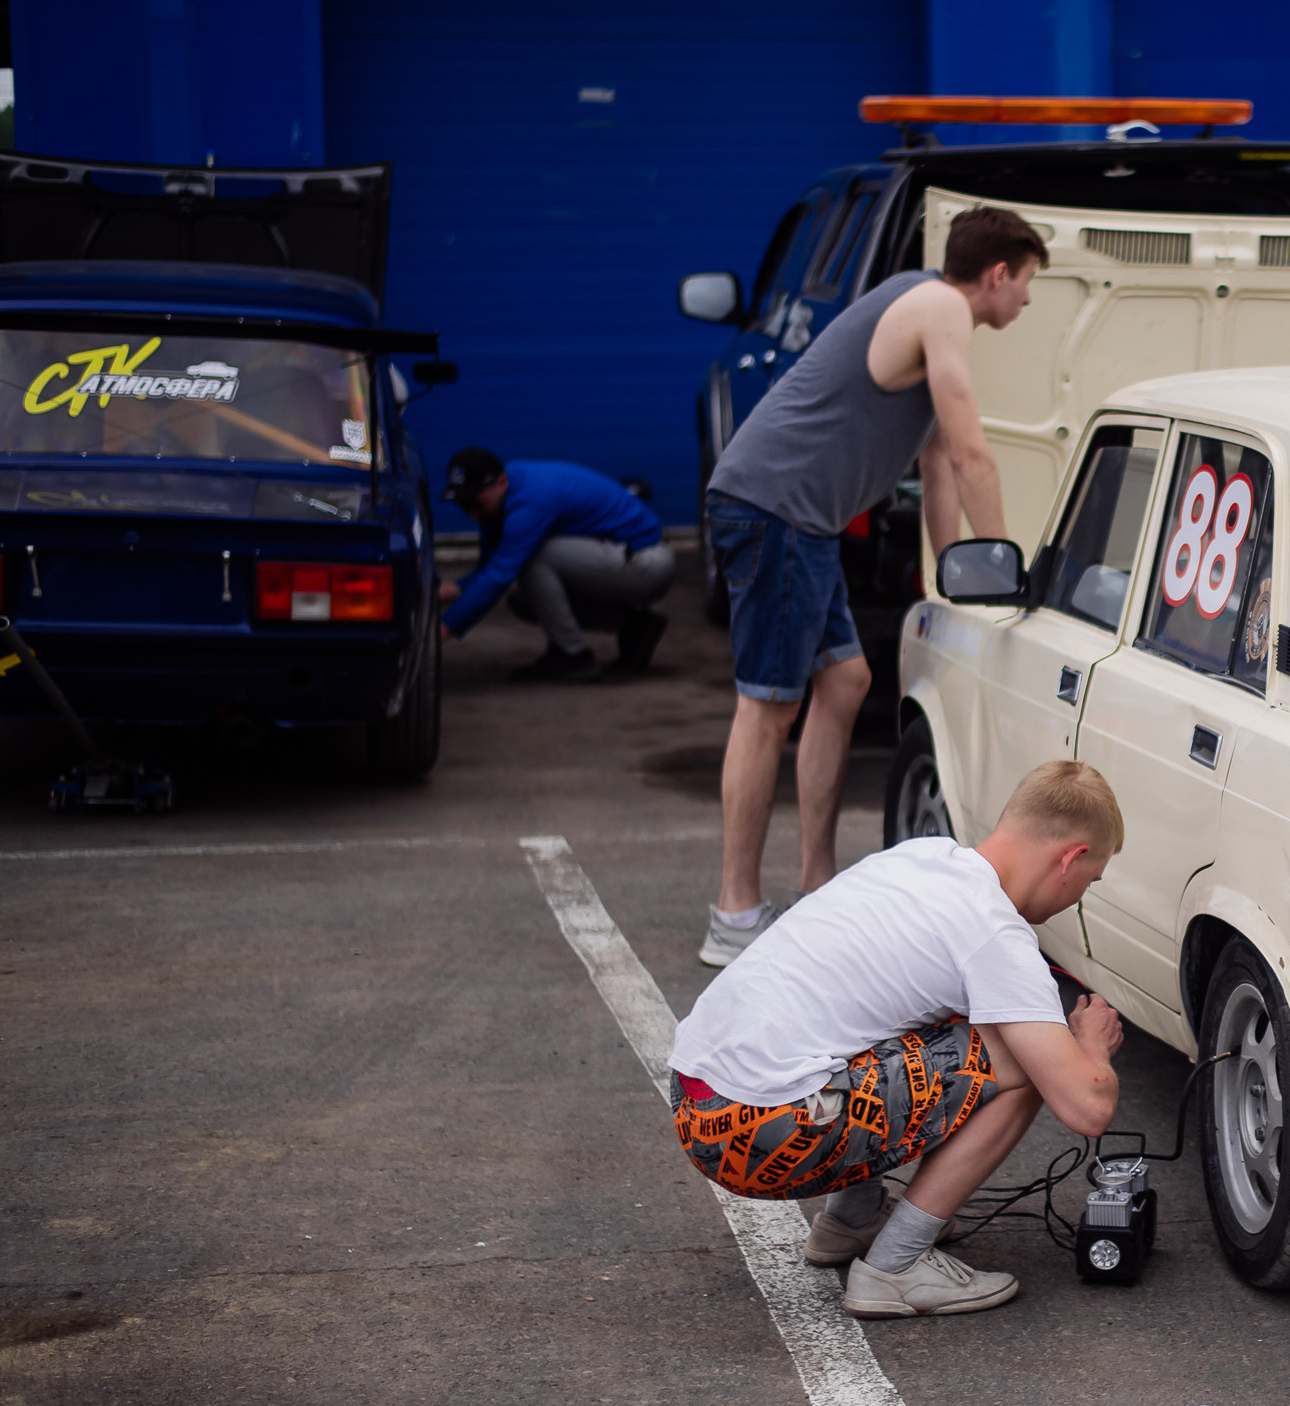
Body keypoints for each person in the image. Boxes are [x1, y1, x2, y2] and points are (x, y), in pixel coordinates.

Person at [697, 206, 1046, 967]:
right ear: (997, 274)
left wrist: (960, 573)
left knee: (846, 681)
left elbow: (934, 466)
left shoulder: (927, 310)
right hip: (773, 506)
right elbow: (971, 453)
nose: (1026, 300)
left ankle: (817, 886)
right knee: (767, 707)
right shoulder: (939, 309)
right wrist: (1004, 573)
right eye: (1026, 283)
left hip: (802, 521)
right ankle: (733, 914)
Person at [666, 760, 1127, 1316]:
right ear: (1071, 859)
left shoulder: (921, 857)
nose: (1082, 895)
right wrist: (1090, 1046)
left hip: (696, 1100)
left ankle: (850, 1220)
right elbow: (1087, 1107)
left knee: (920, 1027)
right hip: (758, 1125)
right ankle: (897, 1267)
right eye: (1091, 880)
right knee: (1031, 1064)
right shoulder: (993, 932)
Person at [438, 448, 674, 682]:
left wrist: (443, 630)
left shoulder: (531, 501)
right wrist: (456, 588)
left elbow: (499, 575)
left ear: (500, 482)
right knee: (522, 599)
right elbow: (490, 567)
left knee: (532, 557)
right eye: (465, 505)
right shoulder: (505, 492)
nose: (473, 515)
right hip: (621, 559)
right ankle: (635, 625)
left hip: (647, 563)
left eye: (477, 503)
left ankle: (572, 656)